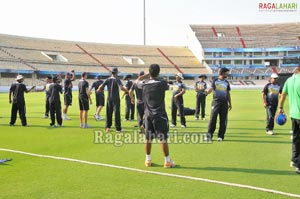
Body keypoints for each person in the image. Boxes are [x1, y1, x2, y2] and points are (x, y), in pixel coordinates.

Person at [136, 64, 175, 168]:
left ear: (149, 72)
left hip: (148, 115)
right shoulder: (162, 83)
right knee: (162, 138)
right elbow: (169, 86)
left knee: (148, 138)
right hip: (160, 114)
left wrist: (148, 74)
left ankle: (148, 160)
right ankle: (167, 161)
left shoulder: (144, 83)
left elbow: (137, 81)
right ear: (158, 72)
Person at [278, 66, 300, 174]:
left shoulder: (289, 80)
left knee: (296, 138)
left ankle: (294, 159)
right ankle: (298, 165)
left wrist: (280, 108)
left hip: (294, 115)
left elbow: (283, 95)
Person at [97, 67, 127, 133]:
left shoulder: (107, 79)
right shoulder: (117, 79)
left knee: (108, 113)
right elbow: (121, 87)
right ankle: (118, 128)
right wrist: (126, 90)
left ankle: (107, 127)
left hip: (109, 98)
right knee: (117, 113)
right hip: (116, 98)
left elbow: (101, 86)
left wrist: (98, 90)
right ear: (116, 73)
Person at [206, 68, 232, 141]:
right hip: (216, 102)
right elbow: (211, 89)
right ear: (222, 73)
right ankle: (209, 136)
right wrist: (207, 93)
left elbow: (228, 93)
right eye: (227, 73)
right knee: (212, 119)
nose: (227, 74)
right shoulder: (215, 81)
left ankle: (220, 136)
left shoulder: (227, 82)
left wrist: (230, 103)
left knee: (223, 120)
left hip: (224, 103)